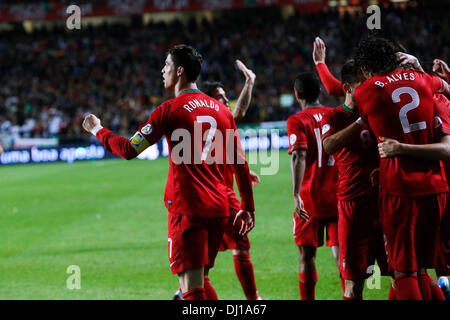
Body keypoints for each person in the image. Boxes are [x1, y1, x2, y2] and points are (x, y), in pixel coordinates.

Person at [82, 44, 255, 300]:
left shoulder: (170, 110)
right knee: (201, 279)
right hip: (219, 209)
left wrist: (98, 130)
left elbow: (129, 149)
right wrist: (248, 206)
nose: (162, 71)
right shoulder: (222, 112)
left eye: (167, 65)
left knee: (191, 284)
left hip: (188, 210)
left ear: (180, 71)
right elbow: (240, 164)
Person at [353, 37, 449, 300]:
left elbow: (373, 131)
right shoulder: (425, 80)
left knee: (403, 271)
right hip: (436, 187)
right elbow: (445, 89)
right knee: (419, 269)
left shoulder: (365, 90)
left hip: (400, 188)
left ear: (364, 68)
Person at [172, 59, 262, 300]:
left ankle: (188, 291)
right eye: (219, 97)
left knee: (237, 246)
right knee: (202, 266)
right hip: (213, 197)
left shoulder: (218, 121)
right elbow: (238, 113)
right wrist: (249, 82)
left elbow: (237, 116)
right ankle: (189, 292)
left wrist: (240, 171)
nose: (224, 101)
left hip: (220, 198)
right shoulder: (206, 120)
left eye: (224, 96)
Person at [321, 60, 387, 300]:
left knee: (403, 273)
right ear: (348, 88)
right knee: (353, 283)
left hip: (385, 201)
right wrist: (360, 121)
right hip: (353, 206)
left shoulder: (380, 111)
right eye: (362, 84)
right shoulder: (334, 116)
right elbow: (328, 145)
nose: (368, 88)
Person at [287, 72, 339, 300]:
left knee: (306, 256)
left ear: (297, 95)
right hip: (338, 195)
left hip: (309, 198)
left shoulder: (297, 120)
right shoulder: (334, 115)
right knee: (342, 255)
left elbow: (298, 155)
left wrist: (296, 193)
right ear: (320, 92)